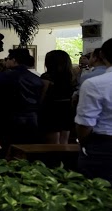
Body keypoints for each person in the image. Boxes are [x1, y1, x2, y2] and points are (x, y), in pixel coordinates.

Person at [0, 48, 45, 154]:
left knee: (7, 149)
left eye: (7, 58)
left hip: (8, 117)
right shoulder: (36, 78)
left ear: (14, 60)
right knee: (28, 150)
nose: (5, 61)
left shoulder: (2, 77)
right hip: (32, 118)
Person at [75, 38, 112, 182]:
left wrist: (84, 144)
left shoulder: (95, 83)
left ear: (102, 55)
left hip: (104, 146)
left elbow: (84, 124)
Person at [39, 50, 75, 144]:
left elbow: (42, 95)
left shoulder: (47, 77)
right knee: (64, 140)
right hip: (67, 108)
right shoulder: (70, 77)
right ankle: (64, 158)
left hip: (51, 109)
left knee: (52, 141)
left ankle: (55, 158)